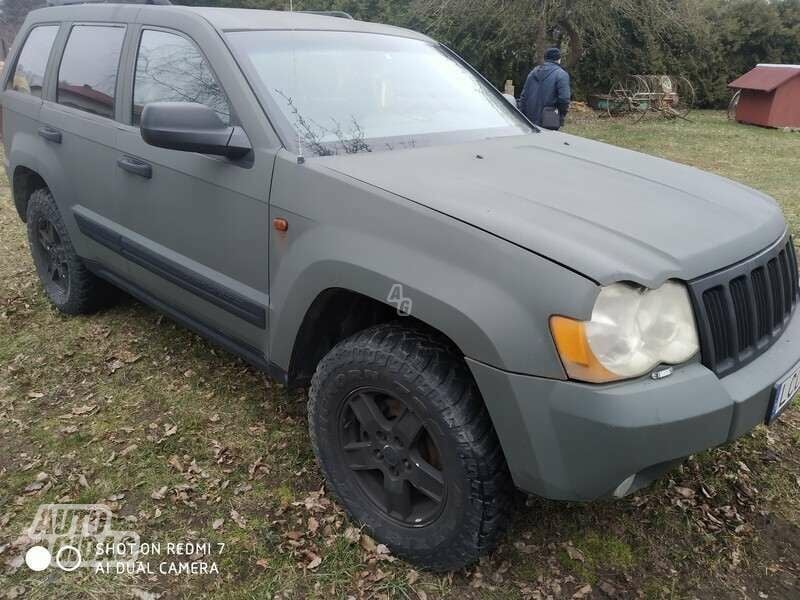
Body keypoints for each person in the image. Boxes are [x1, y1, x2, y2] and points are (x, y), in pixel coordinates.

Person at [518, 47, 571, 130]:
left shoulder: (533, 72)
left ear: (545, 58)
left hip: (529, 119)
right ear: (558, 59)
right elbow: (564, 99)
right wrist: (561, 114)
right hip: (550, 119)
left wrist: (522, 115)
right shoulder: (561, 74)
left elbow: (524, 96)